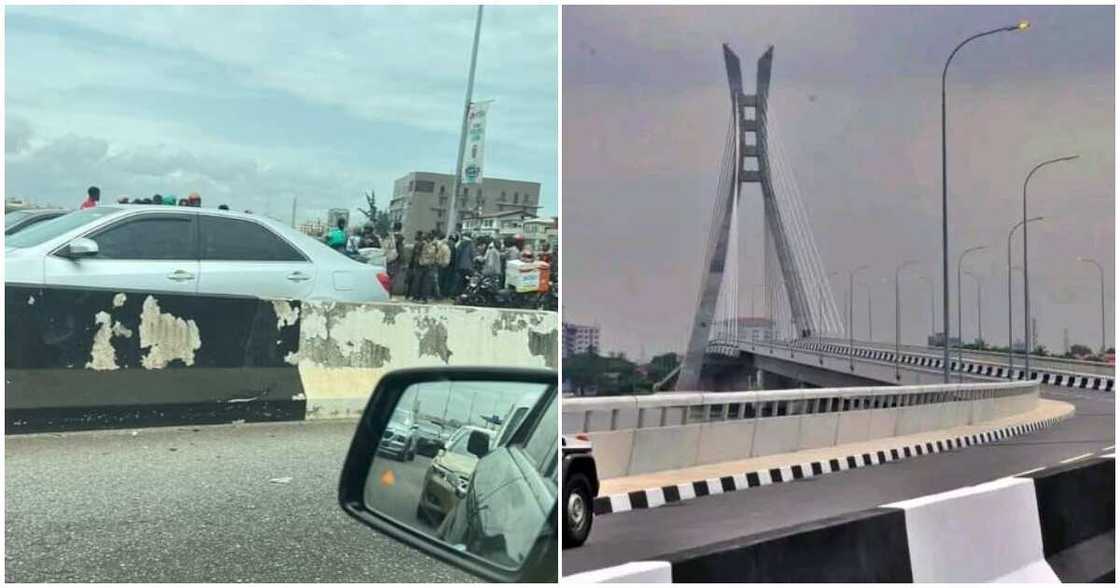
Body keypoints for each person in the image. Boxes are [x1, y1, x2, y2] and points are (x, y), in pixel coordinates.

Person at [452, 233, 476, 298]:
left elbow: (457, 254)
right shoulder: (471, 244)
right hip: (468, 266)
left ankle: (456, 294)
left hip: (460, 266)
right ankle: (465, 294)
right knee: (468, 282)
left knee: (460, 281)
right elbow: (473, 255)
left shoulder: (460, 244)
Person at [437, 234, 454, 300]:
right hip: (447, 265)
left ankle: (439, 293)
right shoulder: (450, 245)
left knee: (440, 280)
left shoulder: (440, 245)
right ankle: (443, 294)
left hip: (440, 264)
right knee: (445, 280)